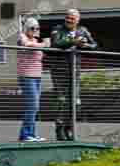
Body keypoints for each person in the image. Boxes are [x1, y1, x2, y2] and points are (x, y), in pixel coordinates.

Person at [49, 9, 97, 141]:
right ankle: (59, 129)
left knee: (75, 101)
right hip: (59, 69)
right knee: (61, 100)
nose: (69, 20)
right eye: (67, 18)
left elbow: (94, 45)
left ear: (78, 20)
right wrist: (73, 42)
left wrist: (83, 45)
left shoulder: (83, 30)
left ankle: (68, 128)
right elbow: (55, 43)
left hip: (75, 69)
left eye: (72, 18)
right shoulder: (57, 29)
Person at [17, 17, 49, 142]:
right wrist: (43, 45)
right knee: (32, 105)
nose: (35, 30)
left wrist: (45, 45)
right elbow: (27, 45)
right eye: (32, 28)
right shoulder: (22, 37)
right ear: (26, 28)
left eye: (37, 28)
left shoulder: (36, 40)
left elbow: (40, 50)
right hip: (26, 75)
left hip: (37, 76)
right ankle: (25, 134)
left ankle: (32, 134)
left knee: (35, 106)